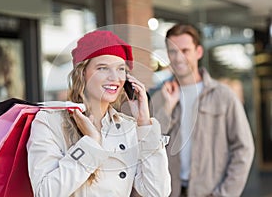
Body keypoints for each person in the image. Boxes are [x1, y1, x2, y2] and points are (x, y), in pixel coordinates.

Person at [27, 30, 171, 196]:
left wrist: (144, 124)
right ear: (82, 73)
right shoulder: (49, 122)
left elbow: (158, 192)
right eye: (103, 68)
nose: (114, 77)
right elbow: (44, 192)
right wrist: (91, 144)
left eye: (121, 69)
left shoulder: (129, 128)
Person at [150, 23, 254, 197]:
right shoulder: (159, 98)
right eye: (173, 51)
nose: (178, 58)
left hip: (210, 193)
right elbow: (150, 145)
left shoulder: (223, 96)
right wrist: (166, 109)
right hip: (170, 192)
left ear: (198, 52)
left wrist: (225, 194)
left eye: (185, 50)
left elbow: (243, 149)